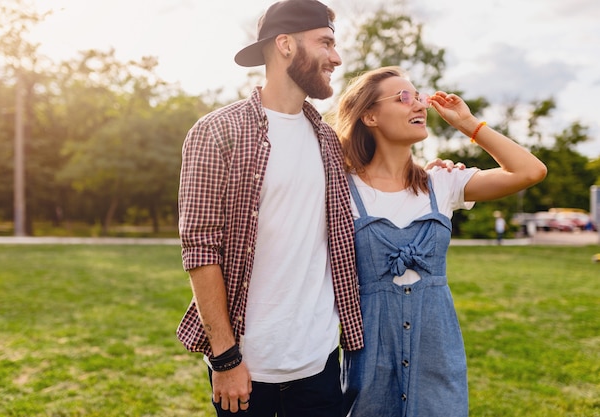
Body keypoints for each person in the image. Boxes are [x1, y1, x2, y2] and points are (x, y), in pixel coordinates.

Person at [176, 1, 362, 416]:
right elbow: (200, 249)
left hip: (320, 364)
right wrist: (225, 358)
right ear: (285, 45)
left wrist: (437, 171)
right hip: (245, 366)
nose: (337, 56)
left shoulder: (328, 141)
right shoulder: (216, 132)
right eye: (326, 42)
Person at [334, 66, 547, 417]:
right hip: (370, 359)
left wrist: (467, 125)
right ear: (370, 115)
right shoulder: (341, 188)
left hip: (438, 355)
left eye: (419, 97)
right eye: (404, 97)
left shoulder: (443, 183)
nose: (419, 105)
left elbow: (530, 171)